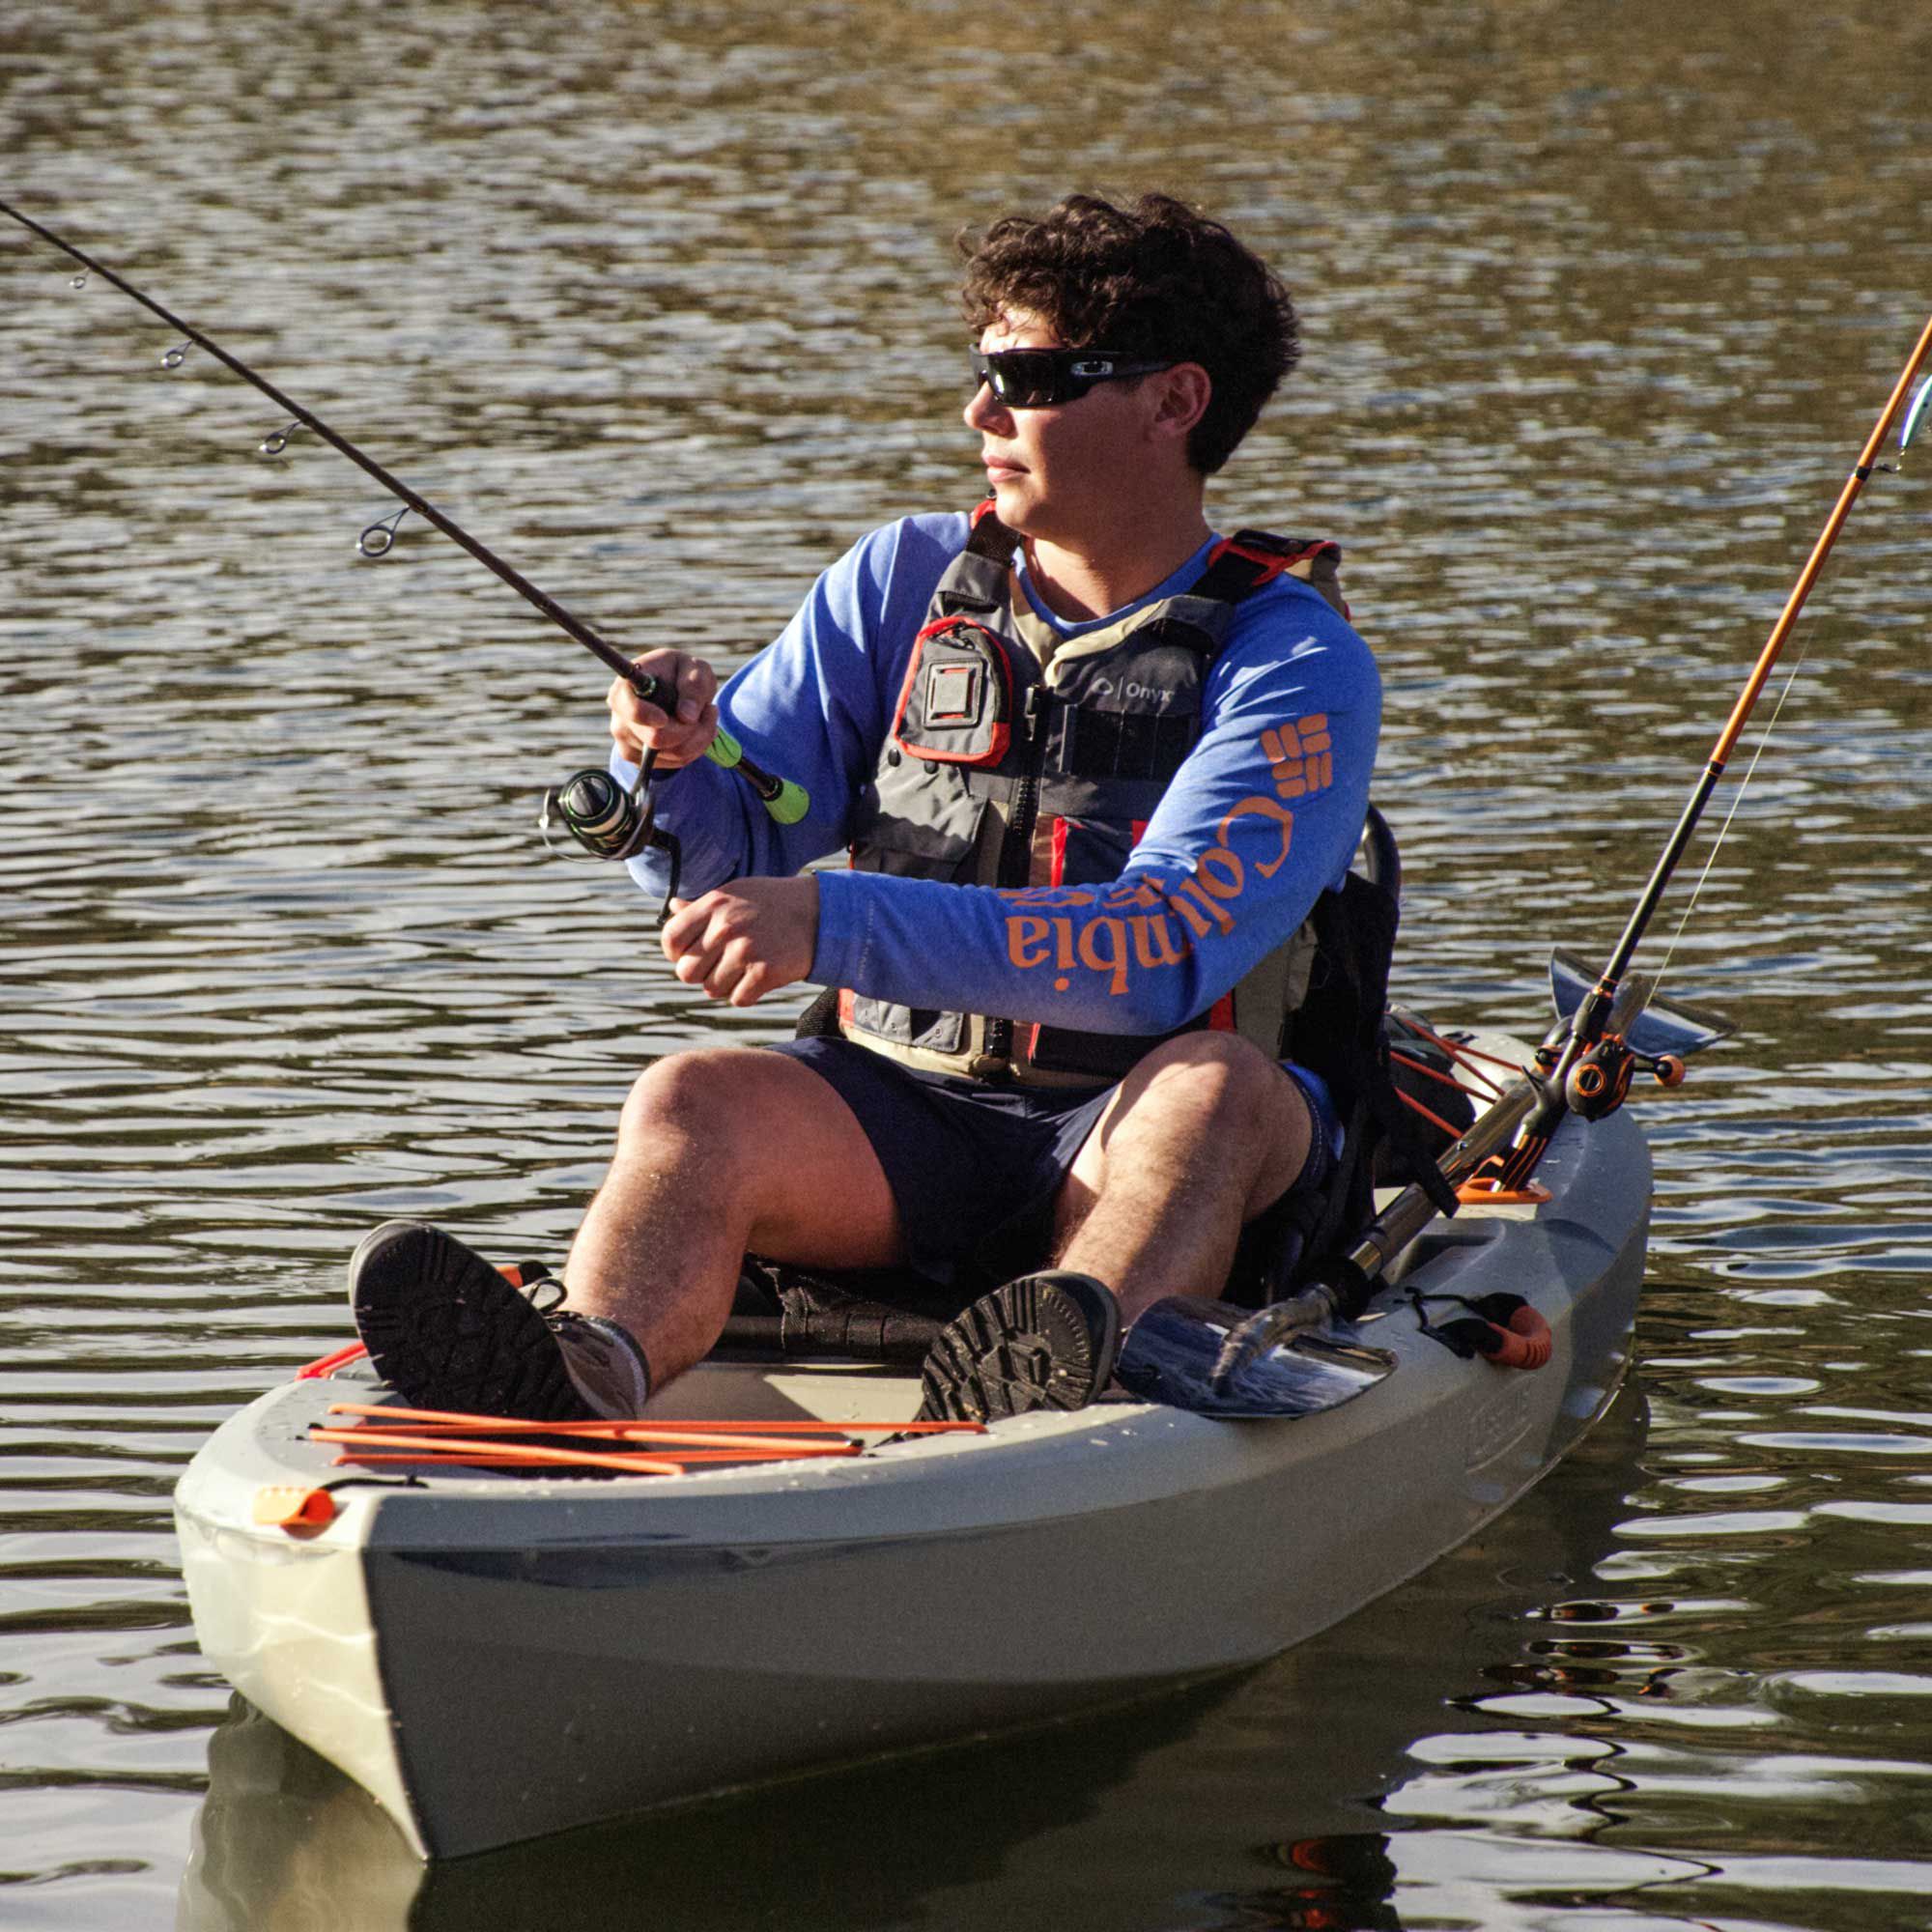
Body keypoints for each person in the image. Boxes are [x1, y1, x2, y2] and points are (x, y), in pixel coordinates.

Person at [348, 191, 1382, 1426]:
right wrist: (667, 761)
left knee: (1210, 1090)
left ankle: (1063, 1391)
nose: (979, 413)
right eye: (981, 370)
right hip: (902, 1116)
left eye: (1031, 376)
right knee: (693, 1095)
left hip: (1137, 1121)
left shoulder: (1291, 659)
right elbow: (722, 852)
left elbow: (1155, 952)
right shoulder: (896, 583)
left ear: (1173, 401)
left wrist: (832, 920)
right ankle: (580, 1376)